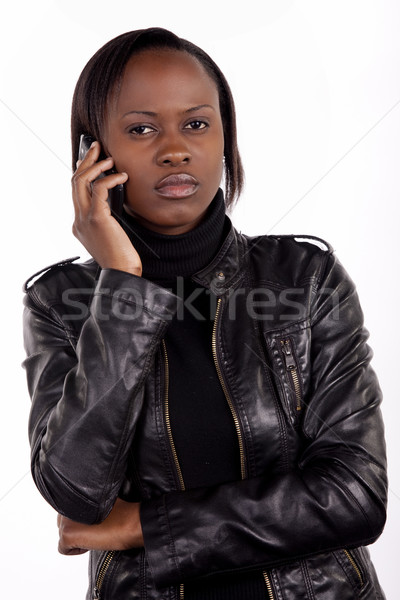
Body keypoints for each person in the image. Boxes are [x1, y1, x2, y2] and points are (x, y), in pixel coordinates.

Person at [22, 27, 387, 600]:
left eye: (196, 123)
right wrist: (122, 283)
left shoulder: (304, 278)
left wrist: (144, 526)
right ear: (91, 155)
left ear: (225, 138)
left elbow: (354, 494)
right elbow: (77, 496)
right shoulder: (61, 302)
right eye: (142, 129)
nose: (175, 148)